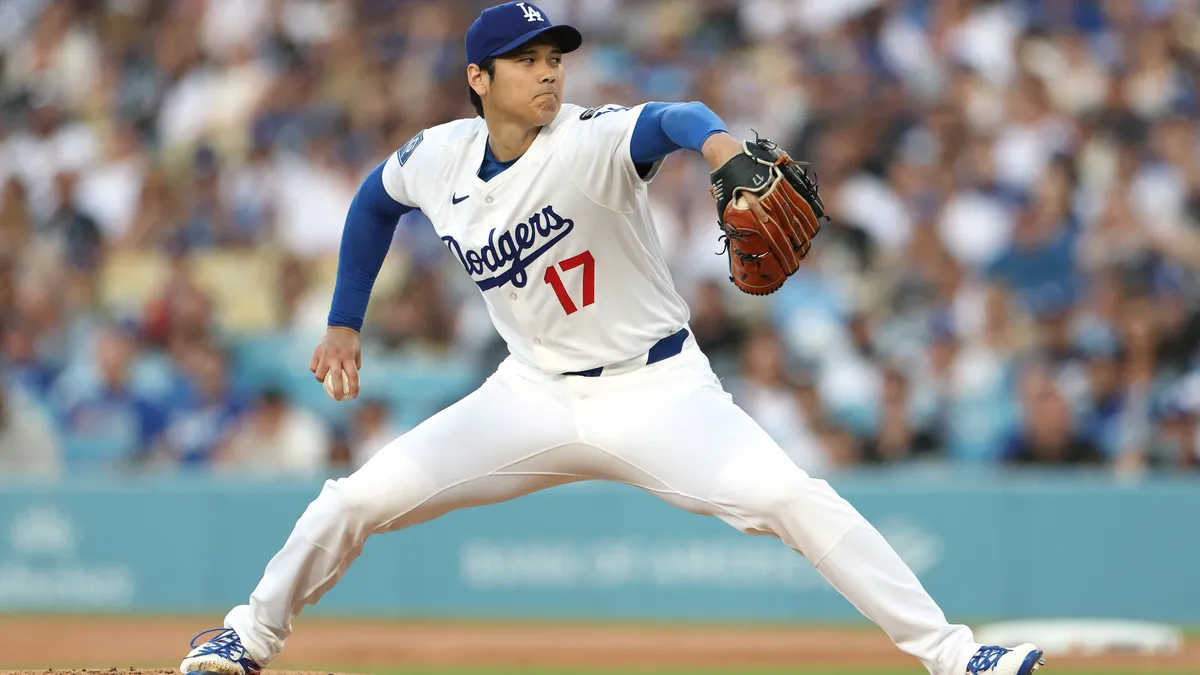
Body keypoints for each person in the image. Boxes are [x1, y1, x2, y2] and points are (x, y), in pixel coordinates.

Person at [180, 4, 1045, 675]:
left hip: (657, 391)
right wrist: (343, 318)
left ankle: (956, 655)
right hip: (529, 395)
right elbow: (375, 200)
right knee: (351, 500)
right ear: (479, 77)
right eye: (527, 60)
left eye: (555, 58)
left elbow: (675, 115)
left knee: (793, 497)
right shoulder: (437, 158)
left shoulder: (588, 140)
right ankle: (243, 638)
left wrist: (720, 149)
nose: (548, 73)